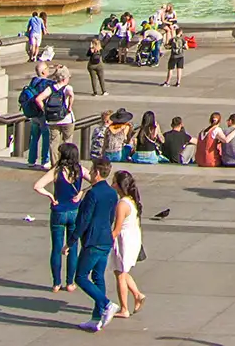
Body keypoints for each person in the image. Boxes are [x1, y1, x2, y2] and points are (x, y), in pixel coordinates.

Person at [33, 141, 86, 293]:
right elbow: (97, 181)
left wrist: (50, 196)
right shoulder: (80, 170)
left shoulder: (56, 171)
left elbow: (37, 186)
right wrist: (81, 192)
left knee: (56, 248)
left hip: (58, 211)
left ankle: (56, 283)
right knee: (72, 246)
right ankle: (70, 283)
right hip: (74, 211)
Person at [75, 158, 120, 330]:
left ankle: (106, 304)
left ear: (98, 173)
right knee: (98, 276)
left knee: (80, 277)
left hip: (93, 240)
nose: (90, 173)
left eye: (92, 170)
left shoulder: (92, 194)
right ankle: (96, 317)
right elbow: (111, 217)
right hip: (105, 239)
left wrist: (71, 241)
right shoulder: (112, 193)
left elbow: (84, 219)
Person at [112, 169, 145, 316]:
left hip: (124, 241)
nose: (112, 185)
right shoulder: (131, 200)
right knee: (121, 272)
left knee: (120, 274)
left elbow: (117, 229)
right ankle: (137, 295)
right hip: (133, 237)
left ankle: (124, 308)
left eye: (114, 182)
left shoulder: (122, 204)